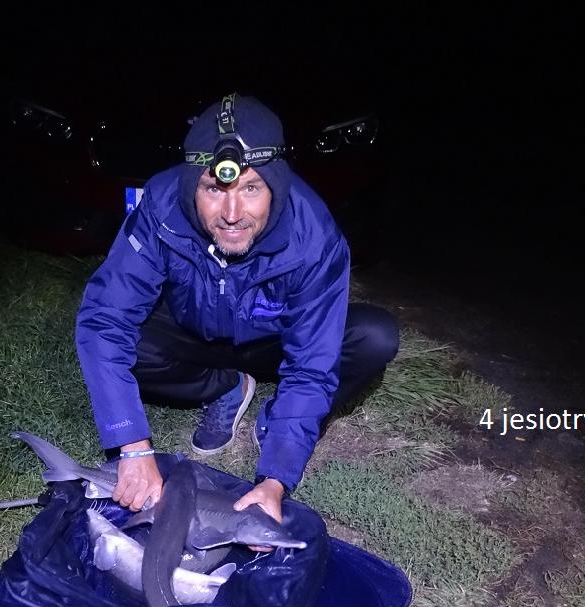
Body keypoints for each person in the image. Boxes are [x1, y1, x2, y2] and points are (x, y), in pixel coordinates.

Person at [75, 93, 398, 523]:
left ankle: (278, 420)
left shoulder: (315, 235)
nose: (232, 214)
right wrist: (132, 447)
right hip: (193, 332)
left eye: (251, 188)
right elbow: (105, 318)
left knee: (374, 337)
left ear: (276, 186)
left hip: (274, 342)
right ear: (191, 186)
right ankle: (225, 386)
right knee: (123, 343)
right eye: (214, 188)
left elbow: (310, 366)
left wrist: (276, 478)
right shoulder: (161, 205)